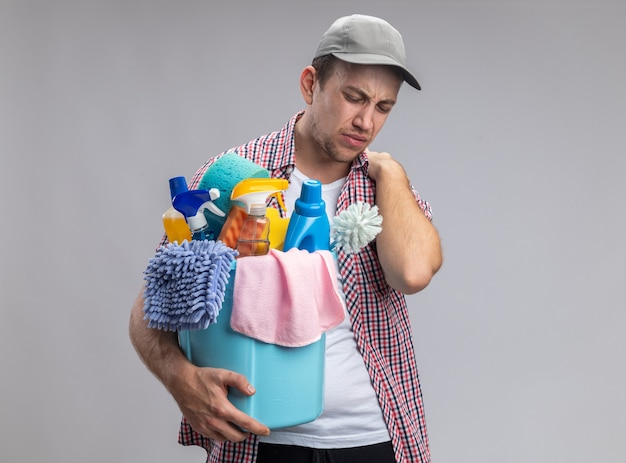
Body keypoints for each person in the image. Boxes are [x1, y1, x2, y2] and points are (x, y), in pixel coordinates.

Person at [129, 13, 442, 463]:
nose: (366, 121)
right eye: (354, 97)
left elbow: (412, 273)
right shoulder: (234, 176)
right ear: (310, 84)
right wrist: (180, 378)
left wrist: (390, 171)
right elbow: (149, 310)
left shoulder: (386, 187)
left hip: (374, 440)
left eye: (383, 107)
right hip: (261, 442)